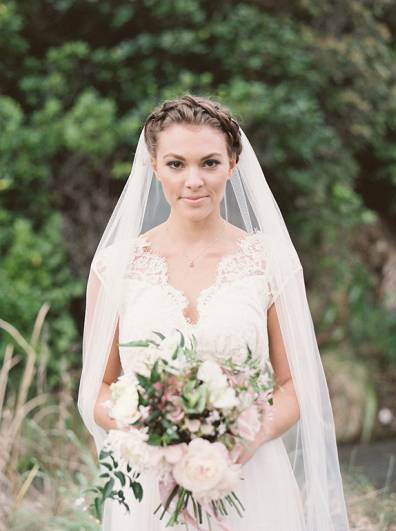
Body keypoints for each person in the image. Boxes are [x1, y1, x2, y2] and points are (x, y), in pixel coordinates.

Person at [78, 94, 350, 530]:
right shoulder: (115, 267)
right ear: (153, 165)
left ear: (233, 163)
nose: (193, 181)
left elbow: (295, 382)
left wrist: (248, 434)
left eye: (209, 163)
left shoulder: (269, 263)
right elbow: (99, 387)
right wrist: (152, 433)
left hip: (249, 478)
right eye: (176, 164)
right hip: (150, 485)